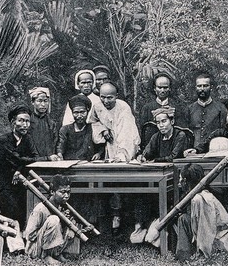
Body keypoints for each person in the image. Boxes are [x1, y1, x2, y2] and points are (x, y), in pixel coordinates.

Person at [184, 104, 228, 242]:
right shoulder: (217, 134)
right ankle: (217, 234)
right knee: (211, 191)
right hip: (218, 180)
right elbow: (203, 145)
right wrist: (195, 150)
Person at [0, 105, 53, 229]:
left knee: (24, 212)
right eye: (21, 120)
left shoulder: (27, 138)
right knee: (9, 213)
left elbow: (34, 157)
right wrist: (47, 158)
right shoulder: (4, 140)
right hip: (5, 183)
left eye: (27, 121)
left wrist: (18, 170)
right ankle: (11, 242)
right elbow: (17, 158)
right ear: (13, 122)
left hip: (21, 181)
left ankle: (21, 241)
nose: (25, 125)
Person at [88, 81, 141, 233]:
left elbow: (127, 132)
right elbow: (93, 122)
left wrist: (122, 154)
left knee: (126, 181)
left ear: (116, 96)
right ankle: (113, 216)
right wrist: (103, 130)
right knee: (111, 184)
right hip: (109, 146)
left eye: (110, 98)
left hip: (126, 147)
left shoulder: (123, 108)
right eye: (102, 97)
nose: (106, 101)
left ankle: (131, 221)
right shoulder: (97, 107)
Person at [132, 106, 189, 243]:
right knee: (141, 193)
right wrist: (142, 157)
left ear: (172, 121)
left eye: (164, 121)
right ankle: (141, 227)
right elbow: (147, 152)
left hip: (177, 177)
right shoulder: (156, 137)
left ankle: (158, 227)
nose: (161, 125)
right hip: (158, 176)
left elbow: (173, 157)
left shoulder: (180, 135)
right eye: (158, 123)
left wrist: (153, 160)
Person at [175, 164, 228, 262]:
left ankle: (185, 258)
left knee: (183, 219)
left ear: (186, 181)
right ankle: (184, 254)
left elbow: (206, 230)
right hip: (218, 238)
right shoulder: (201, 195)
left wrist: (203, 254)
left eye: (181, 179)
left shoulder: (200, 199)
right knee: (183, 218)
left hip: (219, 243)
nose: (179, 182)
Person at [24, 175, 81, 265]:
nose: (66, 196)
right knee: (54, 220)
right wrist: (49, 226)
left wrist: (63, 221)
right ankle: (45, 257)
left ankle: (56, 254)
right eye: (62, 192)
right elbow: (29, 235)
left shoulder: (61, 206)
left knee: (72, 222)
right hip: (35, 248)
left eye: (68, 192)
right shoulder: (40, 209)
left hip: (49, 246)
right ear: (52, 192)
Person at [138, 72, 185, 149]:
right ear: (154, 88)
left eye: (165, 87)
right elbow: (142, 132)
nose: (162, 90)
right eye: (159, 87)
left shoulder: (177, 108)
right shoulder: (146, 108)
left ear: (170, 88)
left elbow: (181, 132)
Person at [186, 73, 227, 147]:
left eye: (205, 86)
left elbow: (224, 131)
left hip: (214, 149)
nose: (202, 89)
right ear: (196, 88)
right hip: (193, 151)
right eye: (199, 86)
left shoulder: (220, 108)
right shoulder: (190, 109)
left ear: (211, 87)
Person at [57, 95, 102, 160]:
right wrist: (59, 154)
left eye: (82, 112)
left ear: (87, 111)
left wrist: (99, 154)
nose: (79, 116)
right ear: (72, 113)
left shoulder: (92, 128)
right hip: (70, 163)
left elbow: (100, 146)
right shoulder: (65, 129)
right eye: (76, 113)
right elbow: (61, 145)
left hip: (87, 164)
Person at [28, 87, 59, 159]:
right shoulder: (28, 122)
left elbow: (55, 143)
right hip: (32, 161)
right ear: (33, 102)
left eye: (45, 101)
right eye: (39, 101)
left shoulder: (51, 123)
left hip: (50, 161)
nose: (43, 104)